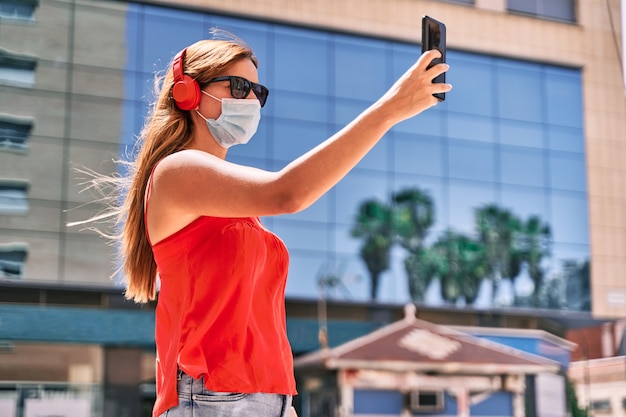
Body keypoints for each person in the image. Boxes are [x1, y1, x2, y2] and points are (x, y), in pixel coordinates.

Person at [81, 30, 450, 417]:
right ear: (187, 93)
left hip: (264, 398)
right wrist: (389, 109)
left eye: (259, 93)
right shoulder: (177, 170)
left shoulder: (232, 204)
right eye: (240, 87)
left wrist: (282, 403)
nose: (252, 101)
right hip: (213, 397)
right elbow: (287, 194)